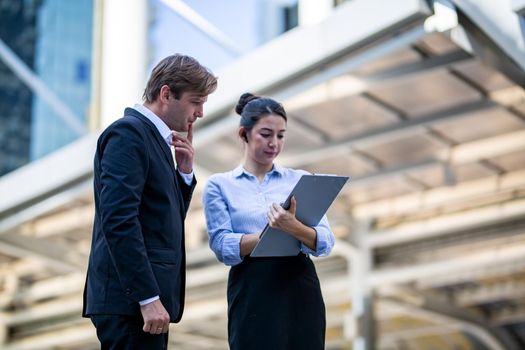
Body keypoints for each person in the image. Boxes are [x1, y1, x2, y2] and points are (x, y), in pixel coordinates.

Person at [82, 54, 217, 349]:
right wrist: (147, 297)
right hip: (132, 304)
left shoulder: (155, 140)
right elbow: (118, 219)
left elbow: (162, 222)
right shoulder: (128, 134)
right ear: (166, 94)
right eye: (196, 101)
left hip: (143, 305)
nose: (201, 113)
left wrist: (184, 172)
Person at [202, 93, 335, 350]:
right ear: (243, 134)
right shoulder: (220, 185)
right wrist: (271, 234)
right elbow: (222, 245)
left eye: (281, 135)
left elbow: (325, 241)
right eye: (266, 134)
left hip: (298, 284)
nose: (274, 143)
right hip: (252, 287)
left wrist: (292, 226)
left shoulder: (300, 179)